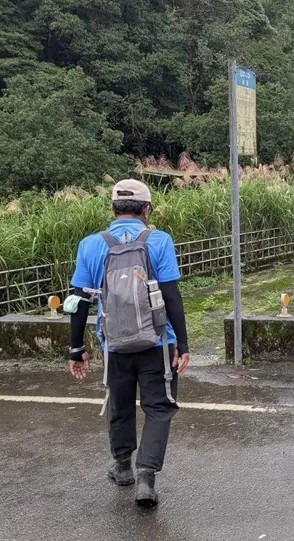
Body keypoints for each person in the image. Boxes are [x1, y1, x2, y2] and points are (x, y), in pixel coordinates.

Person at [68, 179, 189, 508]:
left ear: (113, 209)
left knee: (119, 404)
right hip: (157, 343)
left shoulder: (91, 245)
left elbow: (79, 300)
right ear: (146, 210)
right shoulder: (159, 241)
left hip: (114, 344)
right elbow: (171, 295)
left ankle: (123, 468)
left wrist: (76, 348)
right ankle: (146, 477)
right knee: (159, 407)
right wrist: (182, 344)